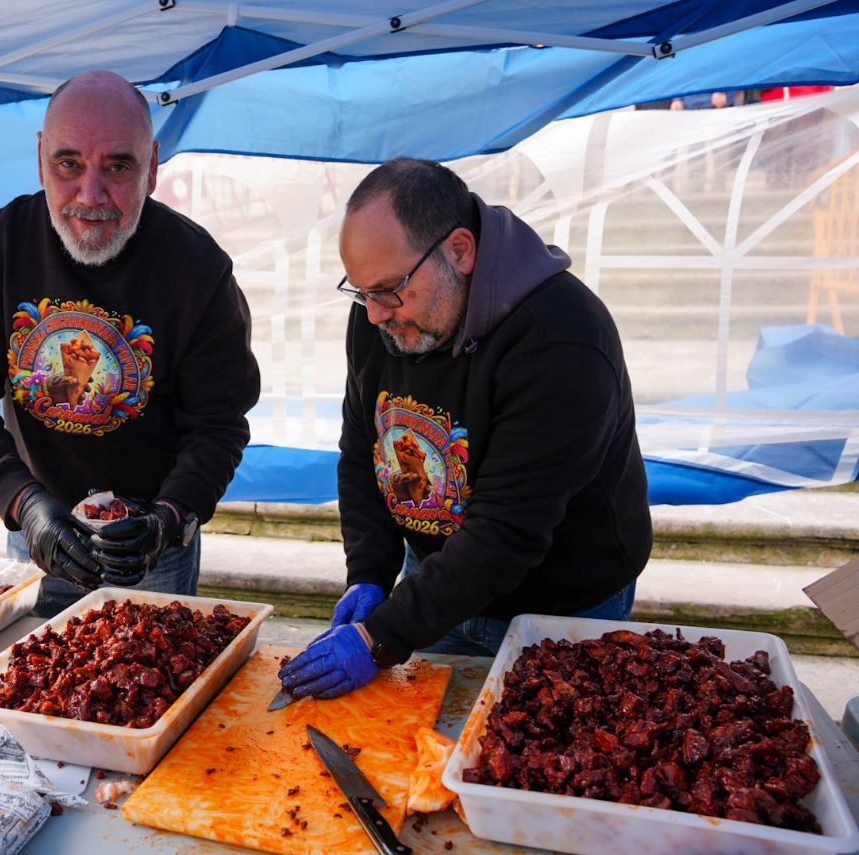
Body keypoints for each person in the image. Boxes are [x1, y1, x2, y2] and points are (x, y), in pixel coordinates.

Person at [279, 158, 652, 700]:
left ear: (460, 250)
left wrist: (382, 636)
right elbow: (363, 449)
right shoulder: (382, 312)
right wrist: (370, 573)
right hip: (435, 582)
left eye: (389, 290)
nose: (374, 315)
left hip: (559, 603)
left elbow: (506, 531)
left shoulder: (563, 338)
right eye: (361, 293)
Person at [0, 71, 261, 617]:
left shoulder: (198, 267)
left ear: (152, 167)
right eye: (68, 164)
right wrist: (23, 502)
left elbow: (219, 422)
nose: (91, 195)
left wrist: (170, 518)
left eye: (118, 166)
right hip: (36, 536)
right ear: (41, 158)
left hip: (154, 549)